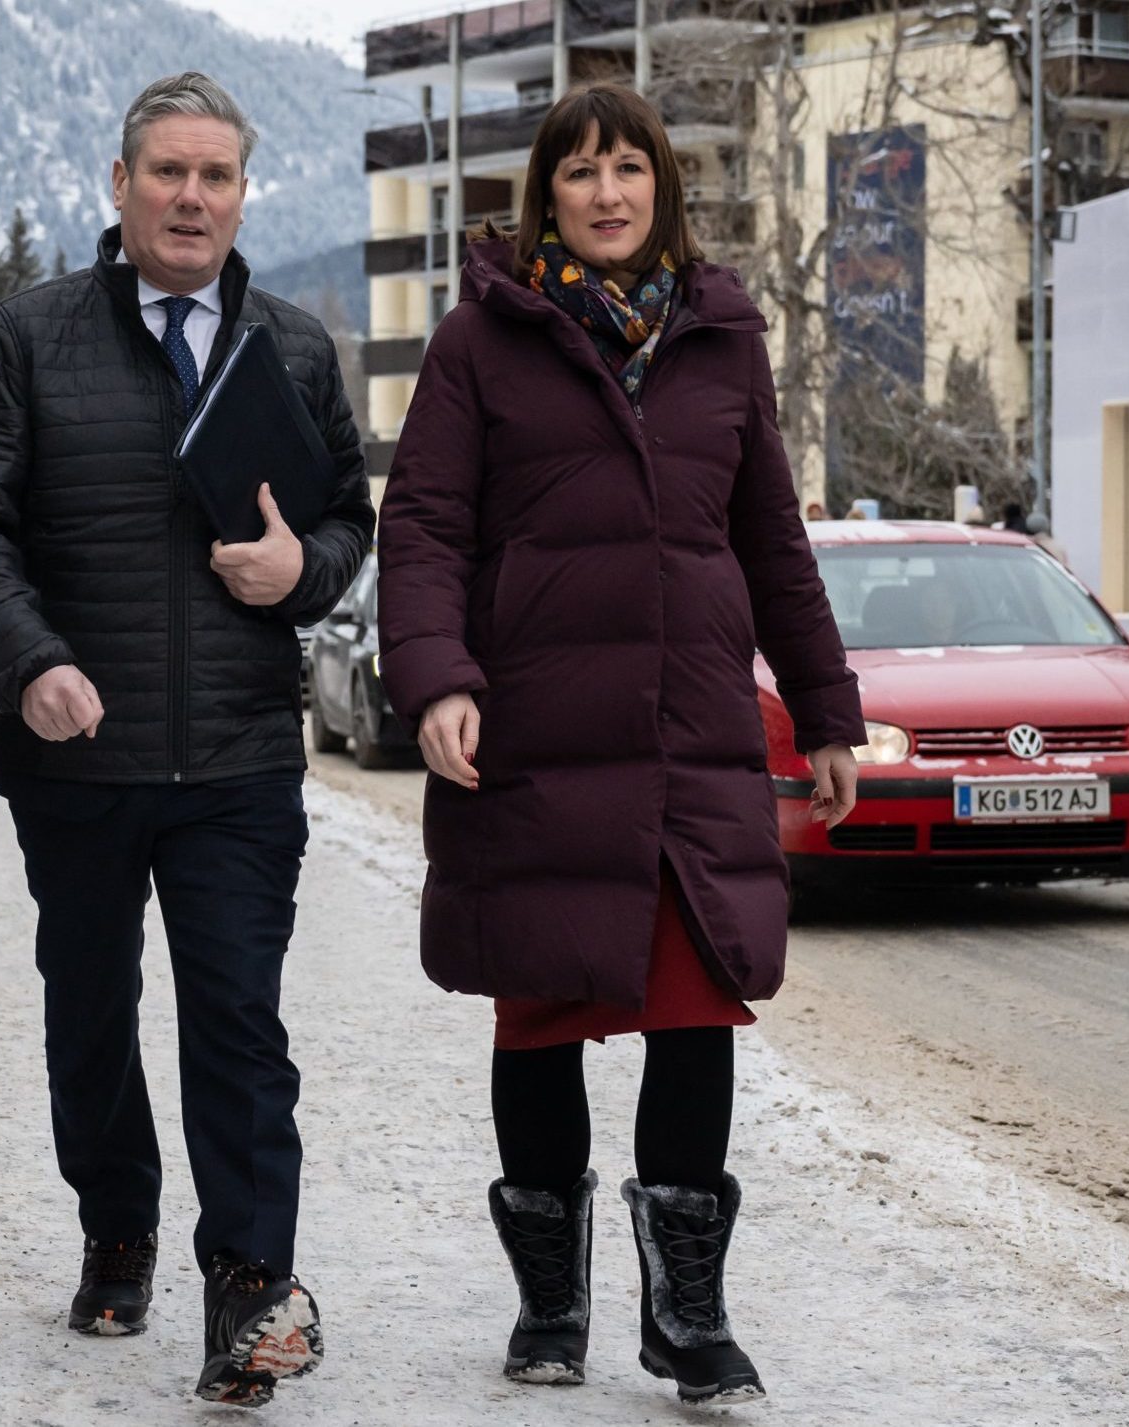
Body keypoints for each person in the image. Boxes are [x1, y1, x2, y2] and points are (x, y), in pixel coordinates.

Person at [376, 81, 862, 1407]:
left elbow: (773, 544)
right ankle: (549, 1305)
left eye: (628, 169)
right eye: (580, 171)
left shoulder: (723, 341)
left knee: (695, 1012)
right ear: (546, 194)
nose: (605, 192)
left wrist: (826, 710)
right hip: (536, 735)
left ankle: (687, 1317)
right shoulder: (482, 341)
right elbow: (423, 526)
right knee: (540, 1010)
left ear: (663, 190)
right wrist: (436, 680)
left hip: (691, 737)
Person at [0, 72, 375, 1406]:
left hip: (240, 756)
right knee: (90, 1012)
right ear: (119, 187)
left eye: (215, 176)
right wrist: (30, 658)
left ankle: (248, 1291)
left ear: (243, 192)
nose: (191, 197)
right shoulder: (26, 336)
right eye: (167, 173)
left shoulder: (290, 346)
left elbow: (350, 524)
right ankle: (116, 1223)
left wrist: (300, 568)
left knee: (238, 1019)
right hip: (79, 755)